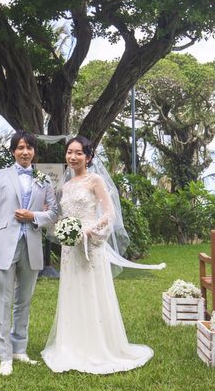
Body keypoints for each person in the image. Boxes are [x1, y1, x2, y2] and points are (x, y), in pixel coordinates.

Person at [42, 136, 158, 374]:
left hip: (90, 244)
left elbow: (109, 213)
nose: (73, 157)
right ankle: (71, 345)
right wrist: (60, 226)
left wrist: (90, 230)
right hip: (70, 248)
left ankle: (98, 346)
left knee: (92, 291)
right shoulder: (66, 185)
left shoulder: (95, 180)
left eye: (78, 153)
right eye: (69, 152)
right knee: (72, 290)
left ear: (88, 157)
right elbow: (64, 215)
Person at [0, 130, 58, 376]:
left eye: (29, 148)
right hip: (4, 244)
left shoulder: (43, 179)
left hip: (31, 244)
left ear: (34, 151)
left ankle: (19, 349)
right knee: (3, 301)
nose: (25, 152)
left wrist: (33, 216)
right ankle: (5, 356)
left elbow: (54, 213)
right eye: (20, 147)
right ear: (13, 151)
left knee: (24, 300)